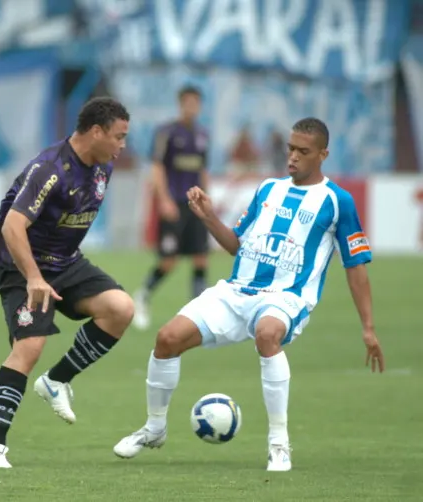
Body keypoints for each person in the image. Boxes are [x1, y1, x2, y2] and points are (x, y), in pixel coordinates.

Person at [113, 118, 385, 472]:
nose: (293, 157)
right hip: (236, 292)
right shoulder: (268, 189)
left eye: (303, 151)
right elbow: (235, 246)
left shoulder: (338, 201)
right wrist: (209, 217)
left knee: (268, 334)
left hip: (286, 297)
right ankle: (154, 429)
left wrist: (368, 328)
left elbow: (356, 267)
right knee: (166, 339)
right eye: (290, 149)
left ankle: (279, 444)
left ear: (323, 154)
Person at [0, 97, 134, 469]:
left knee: (120, 309)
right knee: (30, 347)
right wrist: (32, 277)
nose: (123, 146)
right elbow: (12, 226)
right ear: (96, 132)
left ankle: (56, 381)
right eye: (119, 136)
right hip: (22, 266)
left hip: (66, 264)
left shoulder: (101, 167)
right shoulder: (51, 169)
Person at [133, 86, 210, 331]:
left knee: (200, 257)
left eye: (196, 103)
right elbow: (157, 167)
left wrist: (206, 201)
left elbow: (202, 170)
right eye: (188, 102)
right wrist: (163, 200)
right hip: (174, 203)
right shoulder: (166, 132)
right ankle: (142, 295)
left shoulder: (202, 135)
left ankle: (198, 313)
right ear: (180, 104)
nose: (192, 107)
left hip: (194, 205)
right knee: (169, 260)